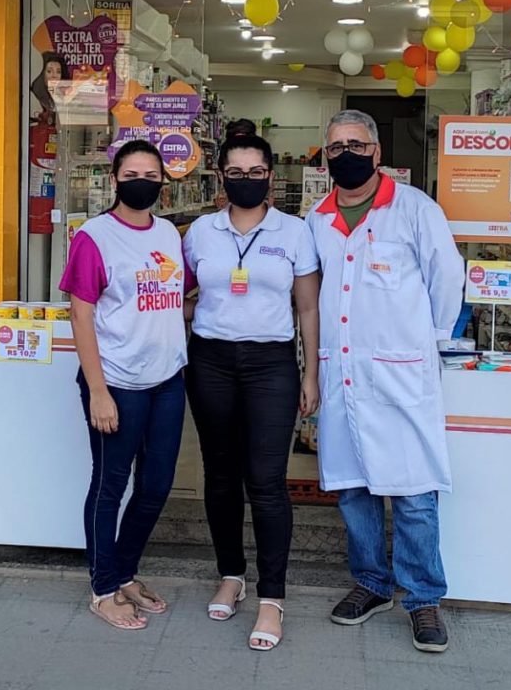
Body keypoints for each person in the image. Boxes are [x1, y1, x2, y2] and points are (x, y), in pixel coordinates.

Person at [305, 109, 464, 654]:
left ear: (376, 152)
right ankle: (372, 584)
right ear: (325, 156)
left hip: (402, 372)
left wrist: (429, 341)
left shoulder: (416, 209)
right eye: (335, 147)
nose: (345, 153)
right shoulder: (317, 218)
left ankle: (423, 599)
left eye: (355, 144)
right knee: (353, 489)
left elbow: (447, 277)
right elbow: (312, 293)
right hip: (343, 371)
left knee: (414, 491)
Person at [183, 133, 321, 652]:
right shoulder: (201, 231)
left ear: (270, 177)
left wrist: (310, 374)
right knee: (220, 476)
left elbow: (307, 308)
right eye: (236, 172)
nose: (247, 180)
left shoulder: (295, 232)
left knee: (265, 481)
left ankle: (272, 597)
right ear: (222, 177)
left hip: (271, 365)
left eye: (256, 172)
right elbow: (182, 295)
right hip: (211, 360)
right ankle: (231, 575)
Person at [59, 139, 188, 630]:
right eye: (132, 175)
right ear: (114, 180)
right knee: (110, 484)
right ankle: (103, 587)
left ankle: (125, 571)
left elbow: (174, 299)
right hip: (117, 381)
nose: (142, 183)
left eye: (152, 176)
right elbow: (81, 314)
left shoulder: (170, 234)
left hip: (167, 381)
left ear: (163, 183)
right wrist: (98, 391)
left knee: (155, 486)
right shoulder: (95, 237)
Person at [30, 52, 70, 118]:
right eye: (49, 71)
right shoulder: (33, 98)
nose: (54, 76)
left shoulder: (60, 96)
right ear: (41, 74)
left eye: (58, 72)